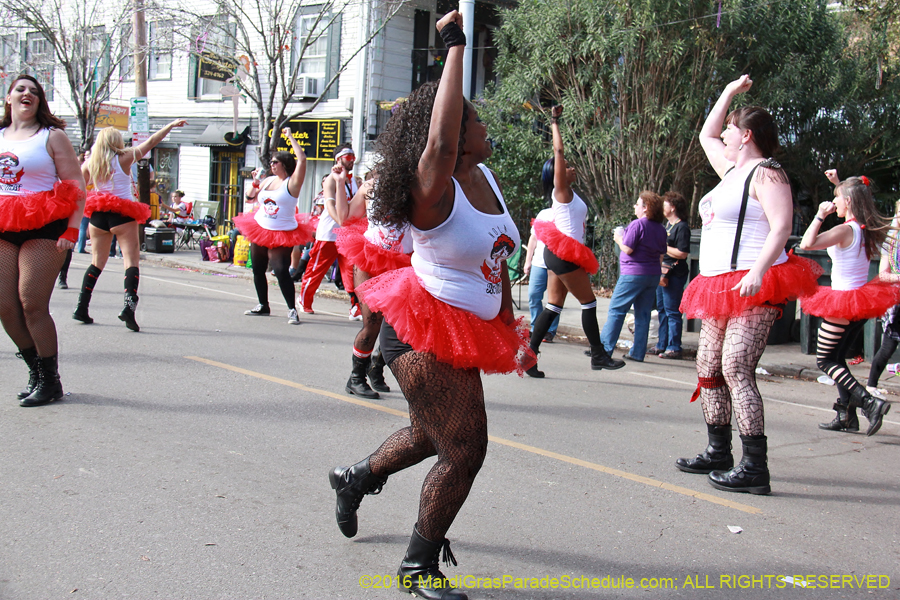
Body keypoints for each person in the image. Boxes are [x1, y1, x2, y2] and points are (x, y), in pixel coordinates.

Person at [328, 11, 531, 599]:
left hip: (468, 324)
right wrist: (454, 47)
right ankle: (417, 568)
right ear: (448, 131)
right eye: (470, 116)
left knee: (428, 433)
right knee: (465, 447)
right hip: (422, 328)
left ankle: (354, 479)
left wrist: (512, 324)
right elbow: (439, 139)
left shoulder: (484, 174)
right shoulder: (430, 185)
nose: (480, 120)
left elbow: (499, 254)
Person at [675, 75, 820, 495]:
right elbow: (706, 133)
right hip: (718, 282)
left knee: (736, 367)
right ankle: (718, 450)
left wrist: (758, 270)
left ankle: (755, 466)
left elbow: (783, 227)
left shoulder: (767, 173)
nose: (725, 134)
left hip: (754, 281)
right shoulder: (731, 170)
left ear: (747, 135)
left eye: (732, 130)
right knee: (707, 369)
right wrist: (729, 93)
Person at [0, 74, 85, 407]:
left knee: (30, 303)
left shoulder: (52, 136)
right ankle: (37, 372)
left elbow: (76, 184)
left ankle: (51, 381)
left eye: (34, 91)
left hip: (46, 227)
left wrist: (72, 230)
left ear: (40, 102)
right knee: (5, 307)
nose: (27, 94)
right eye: (20, 89)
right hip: (4, 226)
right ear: (8, 98)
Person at [527, 105, 624, 377]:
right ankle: (598, 355)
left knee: (553, 306)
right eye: (567, 166)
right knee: (589, 303)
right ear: (558, 173)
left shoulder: (570, 193)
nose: (571, 168)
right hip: (564, 253)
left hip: (560, 253)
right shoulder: (561, 191)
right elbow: (558, 152)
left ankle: (529, 356)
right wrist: (555, 121)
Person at [799, 170, 895, 436]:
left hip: (842, 301)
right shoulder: (865, 229)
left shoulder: (843, 230)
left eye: (837, 198)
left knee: (826, 360)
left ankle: (869, 402)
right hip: (860, 301)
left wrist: (820, 214)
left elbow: (807, 243)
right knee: (838, 356)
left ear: (849, 202)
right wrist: (838, 184)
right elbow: (852, 194)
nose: (835, 202)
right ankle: (846, 416)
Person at [73, 120, 187, 332]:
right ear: (116, 142)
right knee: (131, 261)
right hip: (122, 214)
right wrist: (170, 125)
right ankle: (129, 309)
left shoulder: (91, 163)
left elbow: (77, 186)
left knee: (97, 262)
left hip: (98, 214)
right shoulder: (124, 158)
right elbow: (152, 141)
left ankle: (82, 306)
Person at [336, 173, 412, 399]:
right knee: (372, 324)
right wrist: (340, 184)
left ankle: (376, 367)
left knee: (400, 326)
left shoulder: (417, 187)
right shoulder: (370, 187)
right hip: (369, 259)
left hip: (403, 262)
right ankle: (356, 377)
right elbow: (345, 217)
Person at [233, 128, 314, 324]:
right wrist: (254, 183)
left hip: (282, 232)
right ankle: (263, 305)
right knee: (258, 268)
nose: (271, 164)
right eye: (270, 162)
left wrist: (290, 136)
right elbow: (250, 199)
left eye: (274, 162)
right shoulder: (268, 180)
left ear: (284, 164)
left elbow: (302, 159)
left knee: (280, 270)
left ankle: (292, 309)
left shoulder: (292, 183)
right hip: (260, 227)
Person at [599, 191, 667, 362]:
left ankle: (604, 349)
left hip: (633, 273)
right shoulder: (660, 229)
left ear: (646, 208)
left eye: (638, 204)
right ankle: (637, 353)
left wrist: (619, 238)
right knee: (643, 314)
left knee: (616, 310)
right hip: (652, 274)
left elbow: (628, 249)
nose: (635, 207)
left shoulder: (637, 225)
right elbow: (661, 254)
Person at [299, 145, 360, 317]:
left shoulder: (354, 180)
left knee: (352, 271)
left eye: (353, 157)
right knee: (317, 269)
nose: (352, 160)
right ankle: (305, 300)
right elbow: (330, 205)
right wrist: (342, 221)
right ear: (338, 159)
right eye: (348, 157)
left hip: (348, 235)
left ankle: (355, 307)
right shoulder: (331, 180)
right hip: (330, 234)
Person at [652, 191, 691, 359]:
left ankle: (674, 346)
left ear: (673, 207)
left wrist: (662, 247)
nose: (662, 207)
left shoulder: (681, 227)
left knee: (672, 310)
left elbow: (682, 253)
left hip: (674, 273)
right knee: (661, 308)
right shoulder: (666, 226)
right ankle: (662, 343)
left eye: (665, 204)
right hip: (662, 271)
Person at [867, 198, 900, 397]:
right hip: (897, 302)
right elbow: (883, 274)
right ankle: (871, 385)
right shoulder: (892, 241)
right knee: (888, 344)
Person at [523, 208, 560, 342]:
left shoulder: (566, 215)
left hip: (556, 263)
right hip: (539, 262)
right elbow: (533, 238)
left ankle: (549, 331)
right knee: (533, 295)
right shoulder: (543, 213)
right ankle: (536, 328)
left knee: (554, 300)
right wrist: (528, 261)